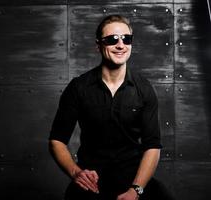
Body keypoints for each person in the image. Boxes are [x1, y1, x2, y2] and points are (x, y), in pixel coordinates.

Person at [48, 15, 175, 200]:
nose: (120, 45)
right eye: (112, 40)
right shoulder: (78, 87)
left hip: (133, 180)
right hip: (92, 182)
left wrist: (136, 190)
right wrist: (76, 173)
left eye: (126, 39)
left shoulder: (144, 89)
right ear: (98, 45)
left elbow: (152, 147)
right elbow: (57, 141)